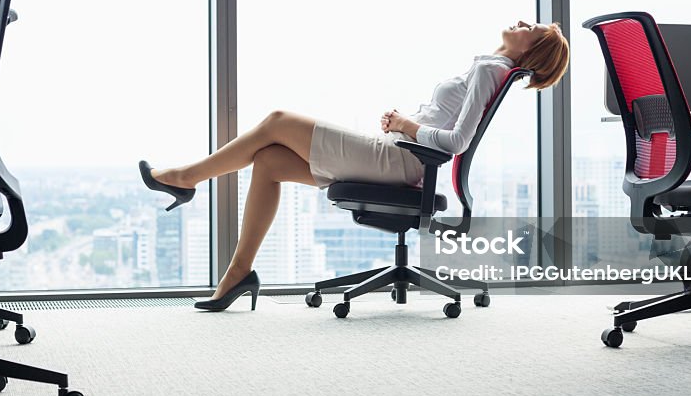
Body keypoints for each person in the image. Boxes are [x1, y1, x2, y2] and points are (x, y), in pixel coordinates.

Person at [139, 20, 569, 311]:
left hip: (401, 161)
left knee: (277, 121)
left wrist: (407, 125)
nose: (521, 23)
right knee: (269, 161)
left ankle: (185, 179)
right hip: (399, 154)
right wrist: (405, 124)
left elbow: (457, 142)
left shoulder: (492, 70)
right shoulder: (488, 67)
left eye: (531, 28)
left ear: (532, 49)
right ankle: (238, 275)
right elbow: (446, 126)